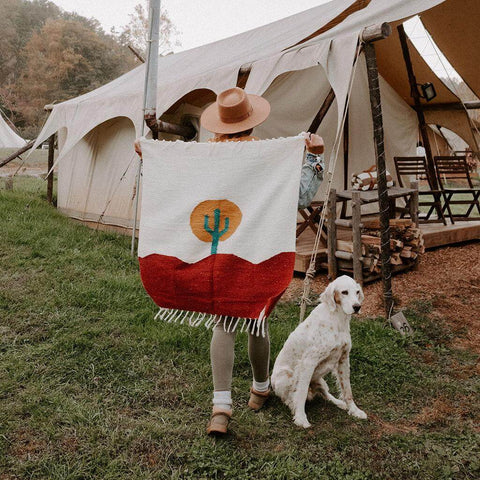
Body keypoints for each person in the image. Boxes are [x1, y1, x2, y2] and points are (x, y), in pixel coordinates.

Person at [134, 87, 325, 435]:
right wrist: (314, 157)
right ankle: (260, 388)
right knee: (256, 320)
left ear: (218, 126)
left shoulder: (202, 158)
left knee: (223, 323)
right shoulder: (268, 156)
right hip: (258, 252)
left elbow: (173, 184)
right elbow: (299, 195)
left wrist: (151, 157)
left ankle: (221, 407)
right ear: (252, 121)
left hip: (216, 254)